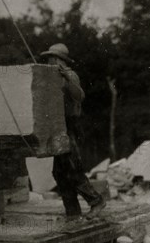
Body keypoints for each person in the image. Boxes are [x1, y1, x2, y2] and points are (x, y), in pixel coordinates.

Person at [41, 43, 106, 220]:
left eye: (51, 58)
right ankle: (72, 211)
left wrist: (67, 79)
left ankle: (96, 201)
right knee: (59, 172)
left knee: (72, 169)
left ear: (59, 60)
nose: (48, 61)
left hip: (71, 127)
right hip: (60, 126)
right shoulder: (53, 77)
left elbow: (80, 96)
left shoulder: (70, 75)